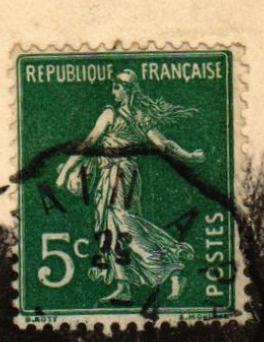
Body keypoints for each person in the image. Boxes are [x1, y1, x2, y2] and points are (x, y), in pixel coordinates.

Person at [55, 69, 206, 306]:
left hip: (118, 175)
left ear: (127, 91)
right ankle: (123, 287)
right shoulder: (141, 117)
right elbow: (163, 144)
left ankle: (173, 267)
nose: (112, 91)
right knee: (113, 229)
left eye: (117, 87)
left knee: (125, 226)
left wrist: (65, 171)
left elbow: (89, 143)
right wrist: (189, 155)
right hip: (121, 176)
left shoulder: (110, 114)